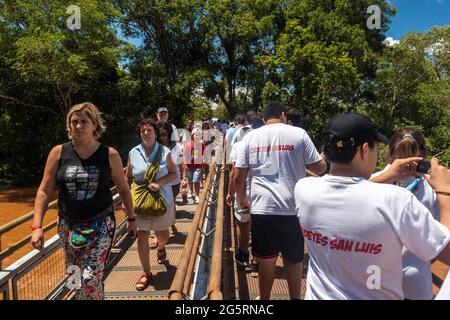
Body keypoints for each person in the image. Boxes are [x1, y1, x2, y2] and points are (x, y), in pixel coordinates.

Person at [294, 112, 450, 300]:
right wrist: (444, 192)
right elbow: (444, 250)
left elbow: (352, 191)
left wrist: (388, 174)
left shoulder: (304, 190)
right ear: (364, 150)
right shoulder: (397, 201)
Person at [31, 102, 137, 300]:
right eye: (74, 122)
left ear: (95, 125)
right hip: (68, 225)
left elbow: (123, 189)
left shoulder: (109, 154)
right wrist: (37, 226)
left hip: (101, 223)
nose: (78, 126)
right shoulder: (58, 153)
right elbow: (45, 190)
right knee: (74, 277)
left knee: (89, 279)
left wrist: (131, 219)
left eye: (84, 122)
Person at [234, 101, 327, 300]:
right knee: (294, 260)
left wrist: (243, 200)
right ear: (283, 115)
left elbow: (237, 176)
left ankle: (264, 301)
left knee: (266, 261)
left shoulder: (250, 137)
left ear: (264, 118)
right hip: (293, 208)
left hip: (261, 207)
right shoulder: (299, 134)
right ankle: (295, 298)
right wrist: (324, 156)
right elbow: (319, 169)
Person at [370, 128, 441, 300]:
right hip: (415, 277)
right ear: (422, 154)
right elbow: (439, 240)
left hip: (376, 276)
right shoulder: (433, 189)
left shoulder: (372, 182)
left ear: (390, 152)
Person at [126, 118, 177, 290]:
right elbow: (128, 178)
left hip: (161, 200)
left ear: (155, 133)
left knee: (163, 235)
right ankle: (146, 273)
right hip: (140, 201)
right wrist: (126, 202)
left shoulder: (165, 152)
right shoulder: (133, 153)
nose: (146, 133)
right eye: (142, 131)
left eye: (149, 130)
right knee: (142, 236)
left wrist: (159, 183)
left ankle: (161, 247)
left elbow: (173, 175)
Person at [157, 121, 182, 235]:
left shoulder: (176, 147)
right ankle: (156, 234)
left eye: (165, 134)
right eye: (160, 135)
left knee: (170, 205)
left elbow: (181, 163)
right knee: (158, 207)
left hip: (174, 182)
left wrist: (185, 178)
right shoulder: (153, 148)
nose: (163, 138)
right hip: (160, 182)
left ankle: (171, 223)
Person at [182, 127, 205, 204]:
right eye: (195, 135)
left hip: (197, 165)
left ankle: (197, 195)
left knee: (196, 180)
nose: (197, 136)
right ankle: (191, 190)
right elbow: (184, 155)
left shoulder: (201, 144)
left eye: (199, 135)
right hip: (189, 166)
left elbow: (205, 152)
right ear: (192, 135)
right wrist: (185, 163)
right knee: (190, 180)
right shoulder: (188, 145)